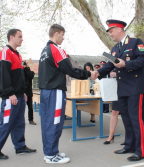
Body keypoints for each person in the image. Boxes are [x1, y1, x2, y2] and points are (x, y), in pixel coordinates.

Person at [92, 19, 144, 161]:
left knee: (136, 120)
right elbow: (110, 66)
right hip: (122, 88)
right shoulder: (114, 49)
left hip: (135, 87)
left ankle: (141, 151)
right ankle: (129, 146)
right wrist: (98, 73)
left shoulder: (136, 42)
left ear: (119, 29)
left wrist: (126, 64)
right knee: (127, 119)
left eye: (111, 31)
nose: (110, 34)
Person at [38, 24, 94, 164]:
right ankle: (51, 155)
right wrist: (89, 73)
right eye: (62, 35)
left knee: (47, 123)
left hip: (45, 91)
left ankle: (50, 152)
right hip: (55, 91)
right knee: (55, 122)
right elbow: (71, 70)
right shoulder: (57, 49)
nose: (63, 38)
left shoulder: (44, 51)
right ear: (56, 34)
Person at [0, 29, 36, 160]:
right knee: (6, 122)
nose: (22, 39)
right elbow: (3, 76)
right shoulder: (5, 53)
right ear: (11, 37)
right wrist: (10, 93)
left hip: (20, 95)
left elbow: (20, 77)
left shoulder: (17, 55)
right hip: (11, 97)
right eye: (20, 36)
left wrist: (23, 93)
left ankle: (20, 147)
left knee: (19, 122)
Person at [103, 70, 120, 145]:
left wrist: (118, 74)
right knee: (114, 112)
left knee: (127, 114)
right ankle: (111, 136)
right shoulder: (113, 61)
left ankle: (129, 138)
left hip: (127, 87)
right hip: (116, 88)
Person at [23, 60, 36, 125]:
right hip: (22, 93)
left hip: (29, 92)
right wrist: (22, 67)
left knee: (30, 107)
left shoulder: (30, 72)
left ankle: (31, 120)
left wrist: (27, 67)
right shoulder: (21, 72)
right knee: (21, 108)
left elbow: (30, 75)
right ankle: (21, 121)